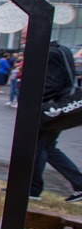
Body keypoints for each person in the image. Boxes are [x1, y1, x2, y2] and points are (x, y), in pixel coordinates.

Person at [31, 41, 82, 202]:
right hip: (58, 107)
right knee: (46, 148)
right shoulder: (62, 50)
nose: (24, 42)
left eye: (25, 38)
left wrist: (32, 102)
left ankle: (33, 189)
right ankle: (33, 188)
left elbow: (51, 84)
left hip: (51, 109)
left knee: (39, 148)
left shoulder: (51, 53)